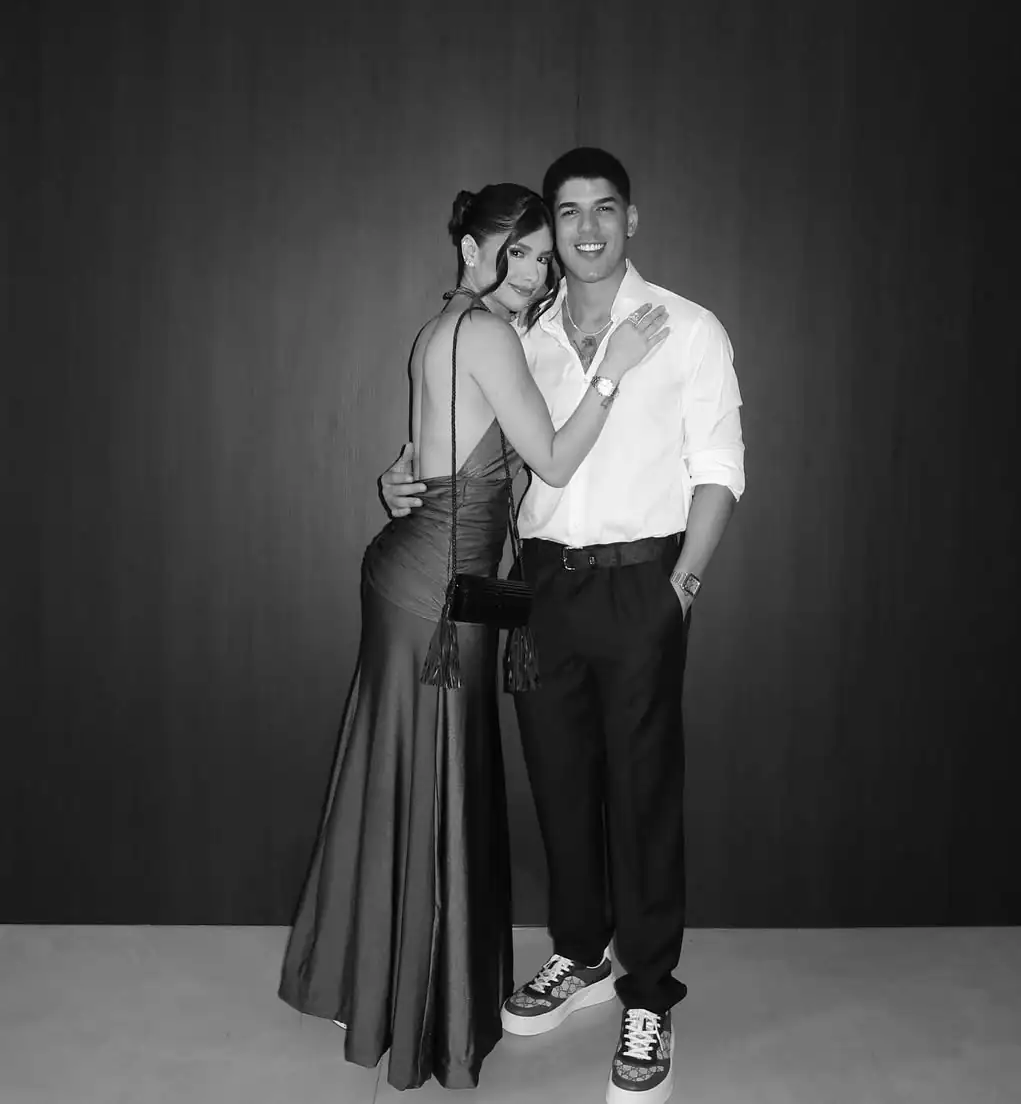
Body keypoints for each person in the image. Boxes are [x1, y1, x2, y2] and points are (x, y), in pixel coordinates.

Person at [278, 182, 668, 1092]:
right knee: (432, 780)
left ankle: (373, 986)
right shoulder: (487, 335)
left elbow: (438, 458)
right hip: (438, 596)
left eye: (540, 255)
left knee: (405, 779)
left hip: (430, 579)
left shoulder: (445, 328)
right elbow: (554, 462)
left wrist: (402, 478)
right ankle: (413, 1007)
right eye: (514, 250)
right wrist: (615, 367)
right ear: (469, 249)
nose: (532, 270)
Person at [380, 148, 745, 1104]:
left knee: (642, 792)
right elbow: (473, 442)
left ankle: (648, 993)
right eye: (568, 213)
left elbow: (719, 470)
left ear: (632, 219)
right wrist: (404, 477)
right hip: (540, 588)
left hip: (640, 584)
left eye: (604, 209)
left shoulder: (687, 329)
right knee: (558, 781)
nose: (585, 229)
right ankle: (581, 955)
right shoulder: (520, 332)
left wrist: (681, 587)